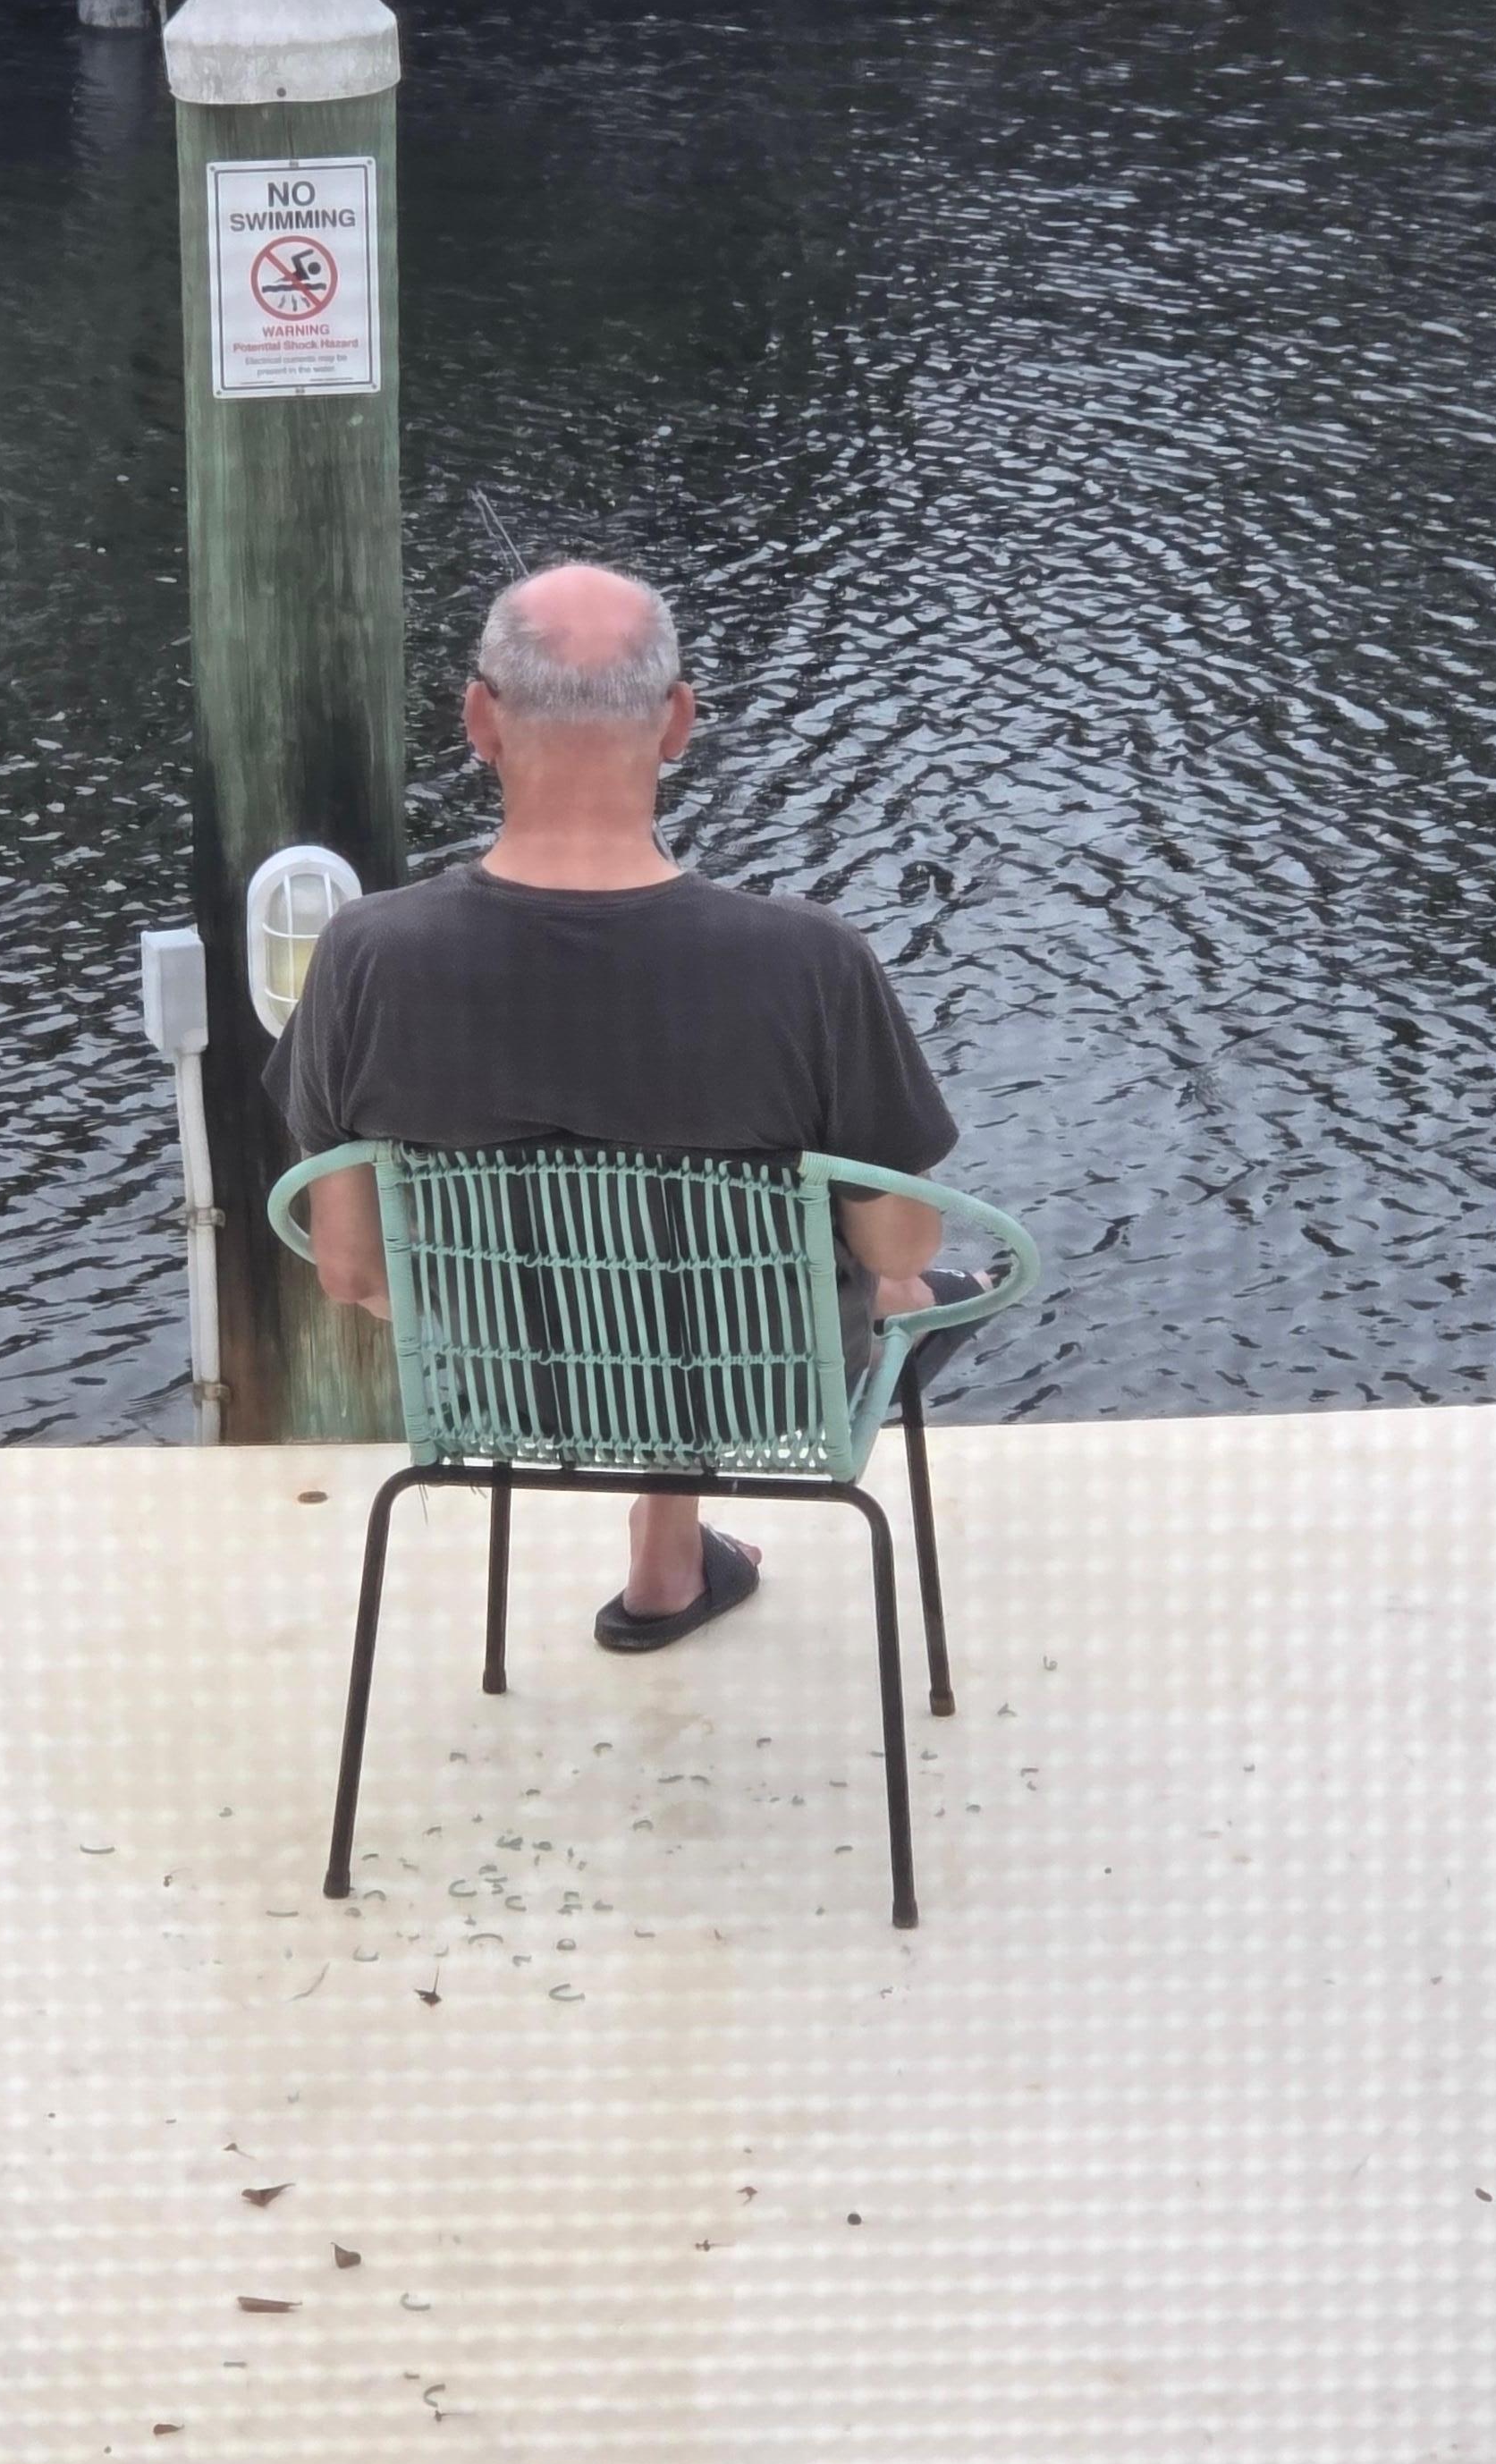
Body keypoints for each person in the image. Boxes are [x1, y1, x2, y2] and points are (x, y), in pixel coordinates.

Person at [266, 562, 973, 1653]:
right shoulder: (809, 963)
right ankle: (669, 1542)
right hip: (760, 1391)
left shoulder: (366, 956)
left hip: (502, 1390)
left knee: (650, 1271)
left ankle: (668, 1555)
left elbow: (353, 1270)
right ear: (678, 721)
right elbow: (900, 1240)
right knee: (915, 1282)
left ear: (479, 720)